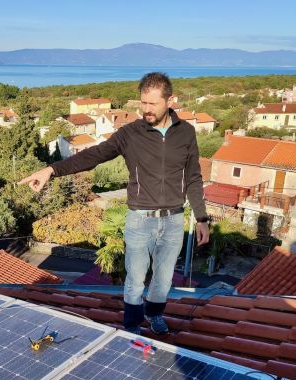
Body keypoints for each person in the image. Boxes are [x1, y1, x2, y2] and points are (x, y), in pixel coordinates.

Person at [19, 72, 209, 335]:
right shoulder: (130, 133)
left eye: (152, 104)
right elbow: (94, 155)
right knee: (135, 279)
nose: (146, 109)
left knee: (163, 279)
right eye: (143, 103)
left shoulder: (186, 133)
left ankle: (154, 315)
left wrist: (201, 218)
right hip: (139, 220)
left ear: (170, 100)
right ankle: (132, 327)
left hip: (174, 219)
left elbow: (194, 177)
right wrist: (52, 170)